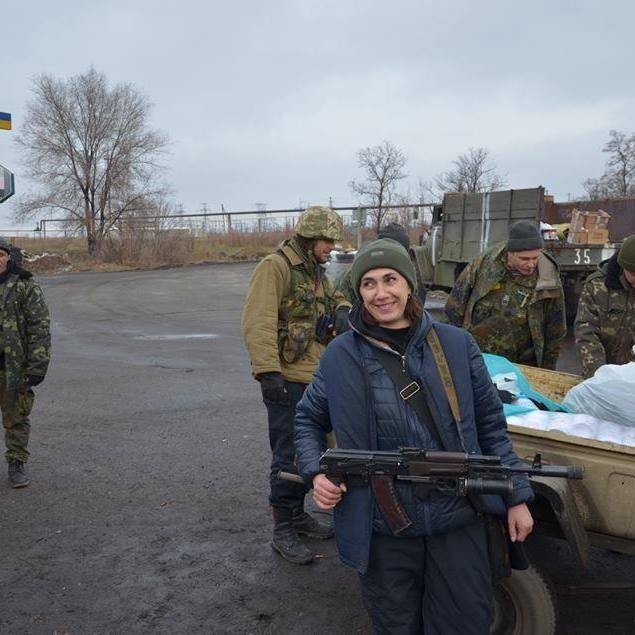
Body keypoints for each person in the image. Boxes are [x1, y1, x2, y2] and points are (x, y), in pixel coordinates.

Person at [295, 238, 534, 633]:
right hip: (383, 532)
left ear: (409, 284)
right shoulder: (339, 356)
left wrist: (516, 496)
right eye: (368, 283)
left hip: (456, 523)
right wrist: (315, 473)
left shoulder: (457, 346)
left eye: (390, 279)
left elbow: (491, 428)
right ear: (358, 293)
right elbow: (306, 422)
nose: (381, 292)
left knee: (463, 624)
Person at [241, 205, 351, 564]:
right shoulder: (276, 267)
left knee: (312, 450)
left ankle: (299, 515)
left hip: (315, 376)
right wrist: (267, 372)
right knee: (288, 455)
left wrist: (342, 309)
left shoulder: (315, 271)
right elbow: (257, 320)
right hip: (287, 377)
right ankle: (283, 528)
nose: (332, 247)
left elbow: (336, 297)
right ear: (310, 236)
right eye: (327, 240)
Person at [444, 220, 566, 369]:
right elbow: (455, 306)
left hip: (524, 364)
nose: (531, 264)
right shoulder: (485, 263)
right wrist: (449, 350)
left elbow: (556, 329)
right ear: (510, 253)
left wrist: (548, 370)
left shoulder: (548, 278)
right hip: (480, 357)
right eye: (524, 259)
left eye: (535, 258)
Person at [0, 237, 51, 488]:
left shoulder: (24, 285)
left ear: (8, 256)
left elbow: (39, 327)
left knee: (16, 418)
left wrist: (37, 365)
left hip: (13, 368)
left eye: (0, 254)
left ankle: (16, 463)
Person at [575, 234, 635, 378]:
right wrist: (601, 377)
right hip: (600, 375)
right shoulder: (597, 286)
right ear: (623, 267)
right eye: (633, 273)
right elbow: (586, 333)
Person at [335, 222, 427, 306]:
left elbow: (417, 304)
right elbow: (341, 302)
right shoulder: (356, 273)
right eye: (369, 284)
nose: (382, 295)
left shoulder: (412, 272)